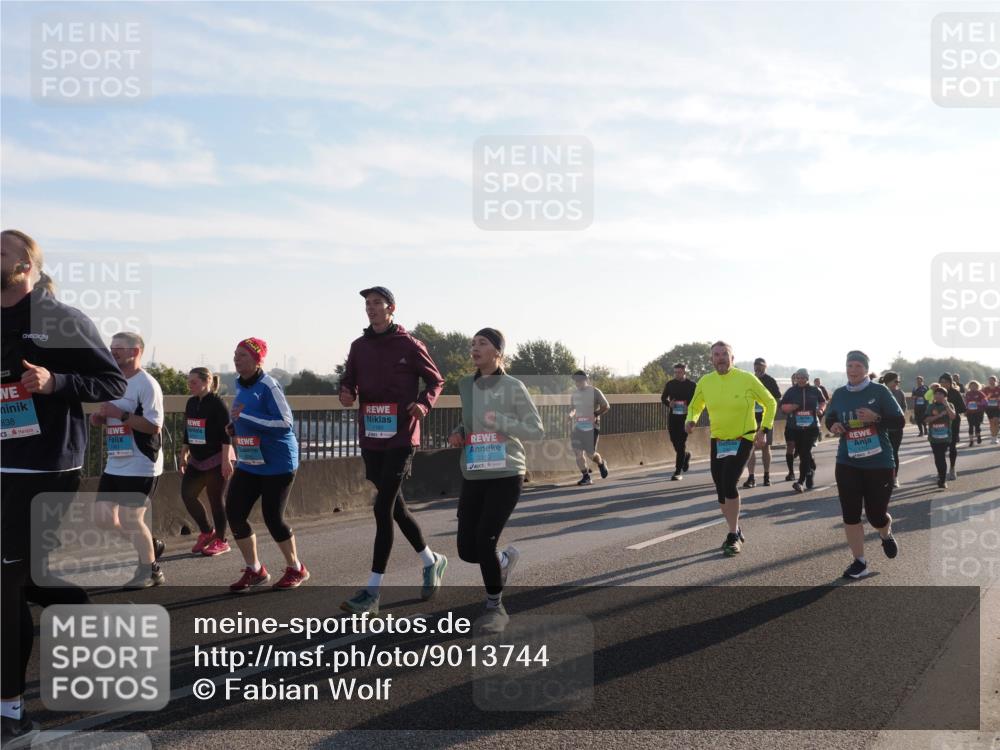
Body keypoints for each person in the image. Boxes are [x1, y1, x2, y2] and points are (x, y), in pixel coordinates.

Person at [1, 229, 128, 747]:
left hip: (45, 468)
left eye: (1, 251)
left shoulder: (60, 319)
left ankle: (11, 711)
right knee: (27, 581)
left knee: (8, 583)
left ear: (27, 264)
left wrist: (55, 383)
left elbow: (111, 383)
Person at [339, 287, 446, 615]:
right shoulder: (359, 347)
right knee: (396, 508)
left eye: (377, 303)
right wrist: (345, 392)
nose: (371, 309)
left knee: (382, 508)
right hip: (371, 437)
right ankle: (432, 560)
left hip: (401, 438)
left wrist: (424, 405)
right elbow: (349, 382)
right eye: (367, 304)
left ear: (391, 308)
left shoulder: (409, 344)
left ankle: (372, 591)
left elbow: (436, 382)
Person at [448, 328, 544, 634]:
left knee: (485, 539)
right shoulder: (465, 385)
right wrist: (459, 432)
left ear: (497, 352)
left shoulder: (513, 386)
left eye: (482, 343)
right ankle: (502, 560)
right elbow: (468, 421)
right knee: (466, 548)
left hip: (506, 473)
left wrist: (501, 422)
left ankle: (495, 607)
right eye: (473, 343)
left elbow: (536, 430)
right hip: (475, 471)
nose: (475, 348)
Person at [225, 337, 309, 592]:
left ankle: (296, 568)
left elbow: (285, 422)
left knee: (273, 517)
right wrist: (234, 427)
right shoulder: (240, 385)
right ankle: (255, 570)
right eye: (236, 355)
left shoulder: (269, 385)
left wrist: (246, 417)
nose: (237, 359)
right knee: (235, 513)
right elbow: (242, 418)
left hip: (278, 462)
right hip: (251, 460)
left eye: (243, 356)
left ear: (258, 359)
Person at [90, 332, 166, 589]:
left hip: (142, 462)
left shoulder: (147, 384)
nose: (112, 352)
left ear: (135, 351)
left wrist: (119, 414)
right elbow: (110, 415)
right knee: (102, 519)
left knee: (131, 518)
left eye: (118, 349)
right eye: (111, 348)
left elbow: (154, 426)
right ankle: (150, 548)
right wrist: (101, 418)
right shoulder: (112, 381)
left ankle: (148, 570)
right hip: (116, 460)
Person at [685, 342, 776, 556]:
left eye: (724, 354)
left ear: (732, 358)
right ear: (711, 360)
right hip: (718, 440)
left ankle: (733, 534)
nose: (720, 358)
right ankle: (735, 529)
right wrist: (691, 419)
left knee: (729, 482)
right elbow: (694, 405)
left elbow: (770, 402)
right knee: (720, 487)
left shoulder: (746, 379)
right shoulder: (706, 382)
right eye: (716, 355)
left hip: (743, 437)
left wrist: (764, 429)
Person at [825, 351, 904, 579]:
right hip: (847, 461)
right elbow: (830, 418)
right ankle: (859, 562)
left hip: (879, 462)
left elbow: (899, 421)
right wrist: (834, 426)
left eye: (858, 365)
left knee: (875, 516)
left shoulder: (879, 391)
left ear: (866, 369)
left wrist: (876, 418)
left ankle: (885, 533)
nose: (853, 369)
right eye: (850, 365)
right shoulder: (839, 394)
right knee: (850, 514)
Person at [180, 367, 233, 557]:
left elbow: (227, 435)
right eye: (189, 382)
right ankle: (206, 532)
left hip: (217, 458)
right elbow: (188, 429)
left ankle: (221, 540)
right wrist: (184, 453)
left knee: (216, 500)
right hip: (197, 459)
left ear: (207, 382)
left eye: (193, 382)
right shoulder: (191, 402)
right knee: (187, 494)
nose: (190, 385)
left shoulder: (217, 404)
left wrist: (226, 460)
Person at [779, 369, 826, 493]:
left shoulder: (815, 390)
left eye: (803, 377)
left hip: (811, 427)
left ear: (807, 378)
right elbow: (782, 407)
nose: (800, 380)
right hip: (795, 427)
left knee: (804, 452)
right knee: (802, 452)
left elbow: (823, 402)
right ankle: (809, 471)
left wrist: (821, 410)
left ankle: (800, 481)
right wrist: (791, 407)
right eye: (798, 377)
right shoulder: (791, 391)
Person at [743, 357, 781, 488]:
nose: (758, 368)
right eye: (756, 365)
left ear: (765, 367)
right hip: (750, 419)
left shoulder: (770, 381)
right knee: (750, 448)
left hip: (765, 419)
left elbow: (777, 398)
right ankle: (751, 477)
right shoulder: (748, 380)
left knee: (765, 447)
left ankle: (766, 476)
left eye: (760, 366)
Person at [568, 370, 610, 486]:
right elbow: (573, 408)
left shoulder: (595, 392)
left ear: (585, 380)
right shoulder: (575, 394)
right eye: (576, 381)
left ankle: (601, 463)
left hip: (592, 426)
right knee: (578, 453)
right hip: (578, 427)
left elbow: (606, 406)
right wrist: (570, 415)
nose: (577, 383)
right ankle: (586, 476)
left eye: (579, 381)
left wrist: (596, 414)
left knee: (591, 454)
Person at [661, 363, 696, 481]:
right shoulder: (670, 384)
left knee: (681, 444)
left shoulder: (692, 385)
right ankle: (685, 456)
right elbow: (663, 398)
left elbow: (697, 401)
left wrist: (691, 413)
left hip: (686, 418)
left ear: (685, 372)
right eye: (675, 372)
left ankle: (677, 471)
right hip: (673, 417)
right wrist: (668, 404)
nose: (677, 374)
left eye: (679, 372)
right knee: (674, 441)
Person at [924, 385, 956, 489]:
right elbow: (926, 420)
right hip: (934, 437)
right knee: (938, 458)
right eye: (936, 394)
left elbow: (953, 417)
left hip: (946, 437)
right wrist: (939, 416)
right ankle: (941, 477)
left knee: (941, 456)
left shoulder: (950, 405)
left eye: (940, 394)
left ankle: (942, 480)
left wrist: (946, 406)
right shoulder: (931, 406)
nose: (938, 396)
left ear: (945, 396)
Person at [880, 372, 908, 488]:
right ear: (888, 381)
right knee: (882, 453)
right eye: (896, 381)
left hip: (896, 429)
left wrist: (897, 417)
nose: (897, 384)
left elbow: (904, 407)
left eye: (898, 382)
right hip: (883, 429)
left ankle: (894, 477)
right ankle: (883, 477)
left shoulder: (899, 393)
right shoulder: (880, 392)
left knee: (894, 452)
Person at [938, 373, 966, 481]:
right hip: (940, 423)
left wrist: (950, 411)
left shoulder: (955, 393)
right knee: (941, 448)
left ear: (950, 383)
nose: (943, 384)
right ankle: (941, 470)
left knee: (952, 446)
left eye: (945, 382)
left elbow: (963, 409)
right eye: (941, 382)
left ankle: (952, 468)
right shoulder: (938, 393)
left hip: (953, 422)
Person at [964, 381, 988, 446]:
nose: (973, 387)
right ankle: (971, 441)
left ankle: (978, 436)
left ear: (977, 386)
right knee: (970, 426)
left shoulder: (980, 393)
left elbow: (985, 402)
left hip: (978, 412)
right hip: (970, 412)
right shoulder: (967, 394)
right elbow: (965, 403)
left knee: (977, 425)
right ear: (969, 387)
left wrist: (979, 403)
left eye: (975, 386)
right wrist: (965, 411)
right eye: (971, 386)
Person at [983, 375, 1000, 445]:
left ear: (995, 381)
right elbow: (982, 398)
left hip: (997, 408)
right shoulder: (985, 389)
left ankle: (995, 438)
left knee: (996, 421)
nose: (991, 381)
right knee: (992, 423)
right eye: (990, 380)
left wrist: (997, 399)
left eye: (992, 380)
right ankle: (993, 437)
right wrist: (987, 398)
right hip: (989, 409)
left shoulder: (998, 389)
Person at [813, 377, 831, 441]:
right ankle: (817, 433)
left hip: (821, 408)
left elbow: (827, 398)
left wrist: (824, 405)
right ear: (814, 382)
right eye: (817, 382)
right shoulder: (812, 389)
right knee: (814, 422)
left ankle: (819, 433)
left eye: (819, 382)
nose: (818, 383)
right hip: (814, 408)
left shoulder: (822, 388)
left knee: (818, 421)